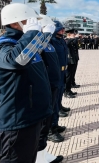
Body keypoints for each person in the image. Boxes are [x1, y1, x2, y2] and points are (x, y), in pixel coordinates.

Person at [0, 3, 53, 162]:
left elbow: (39, 49)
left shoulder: (25, 44)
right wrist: (31, 32)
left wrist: (44, 34)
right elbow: (16, 61)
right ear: (13, 23)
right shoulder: (3, 45)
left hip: (32, 118)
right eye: (28, 21)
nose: (34, 24)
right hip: (16, 123)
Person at [36, 15, 64, 162]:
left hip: (54, 84)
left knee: (48, 118)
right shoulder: (38, 43)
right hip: (45, 86)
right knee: (42, 122)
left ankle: (42, 154)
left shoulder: (48, 43)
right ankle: (38, 157)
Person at [65, 29, 80, 98]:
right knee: (68, 76)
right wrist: (74, 38)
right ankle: (66, 91)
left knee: (72, 74)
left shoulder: (72, 40)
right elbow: (67, 44)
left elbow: (76, 46)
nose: (74, 35)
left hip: (74, 59)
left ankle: (69, 89)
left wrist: (75, 39)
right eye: (73, 34)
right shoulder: (65, 40)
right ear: (68, 35)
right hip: (69, 60)